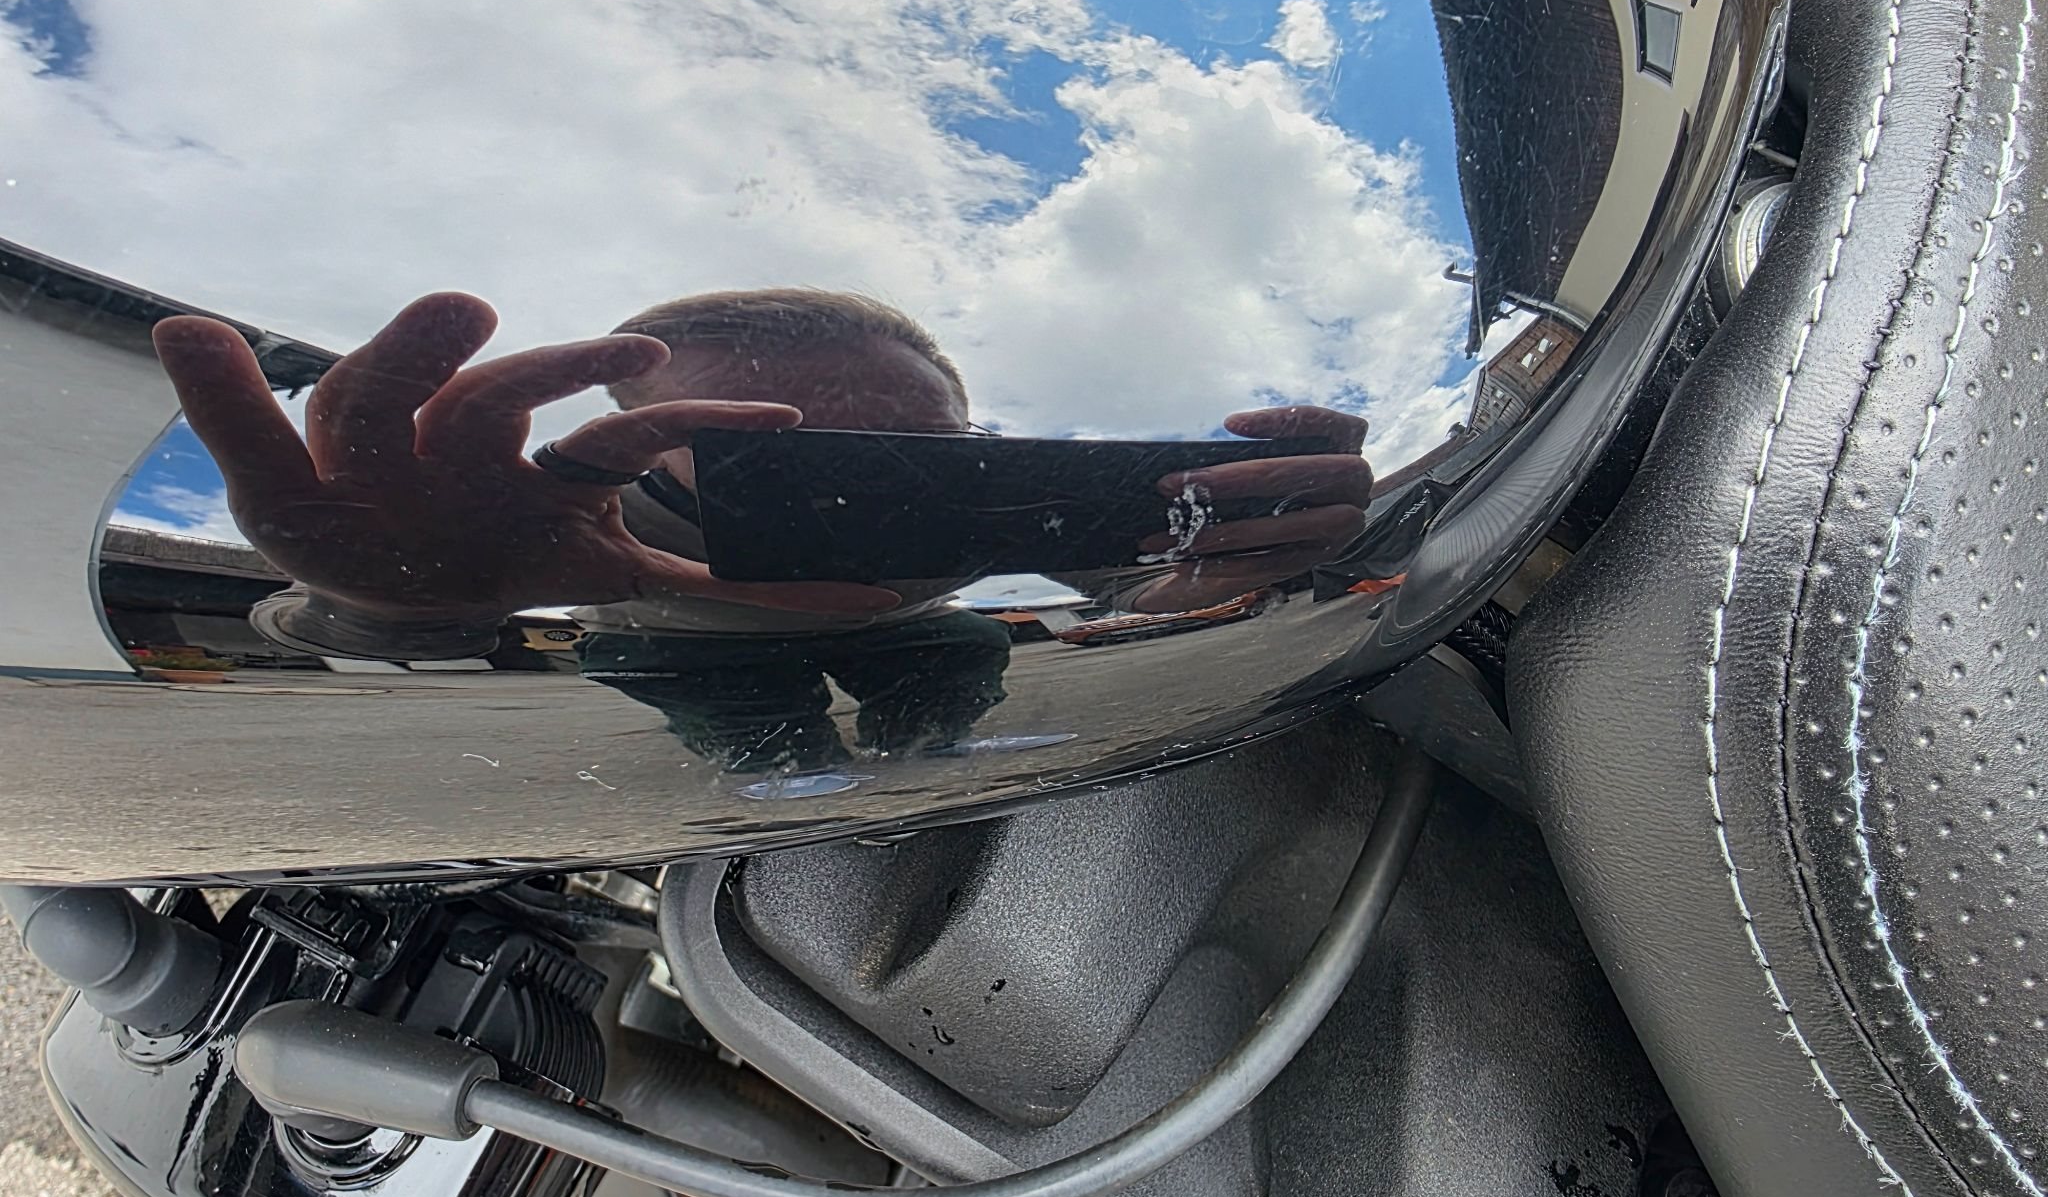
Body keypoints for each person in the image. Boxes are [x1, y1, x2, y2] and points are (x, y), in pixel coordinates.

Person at [151, 289, 1373, 770]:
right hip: (687, 658)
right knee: (718, 710)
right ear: (641, 445)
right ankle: (768, 768)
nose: (856, 499)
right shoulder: (566, 518)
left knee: (957, 657)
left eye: (911, 458)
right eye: (769, 462)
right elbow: (314, 635)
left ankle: (919, 759)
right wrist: (402, 599)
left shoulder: (995, 501)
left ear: (965, 438)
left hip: (918, 647)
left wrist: (1245, 566)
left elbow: (1128, 596)